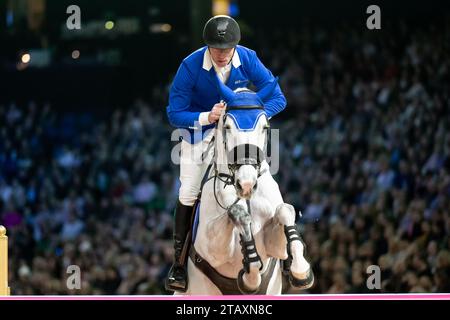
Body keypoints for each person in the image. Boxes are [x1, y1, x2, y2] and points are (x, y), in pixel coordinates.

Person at [165, 15, 287, 292]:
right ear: (207, 46)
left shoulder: (248, 57)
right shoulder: (191, 66)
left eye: (227, 49)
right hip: (199, 134)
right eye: (216, 49)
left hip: (238, 136)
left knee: (266, 182)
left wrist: (249, 116)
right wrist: (209, 116)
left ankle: (289, 253)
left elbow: (279, 98)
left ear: (236, 46)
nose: (221, 55)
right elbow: (174, 113)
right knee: (188, 191)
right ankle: (179, 265)